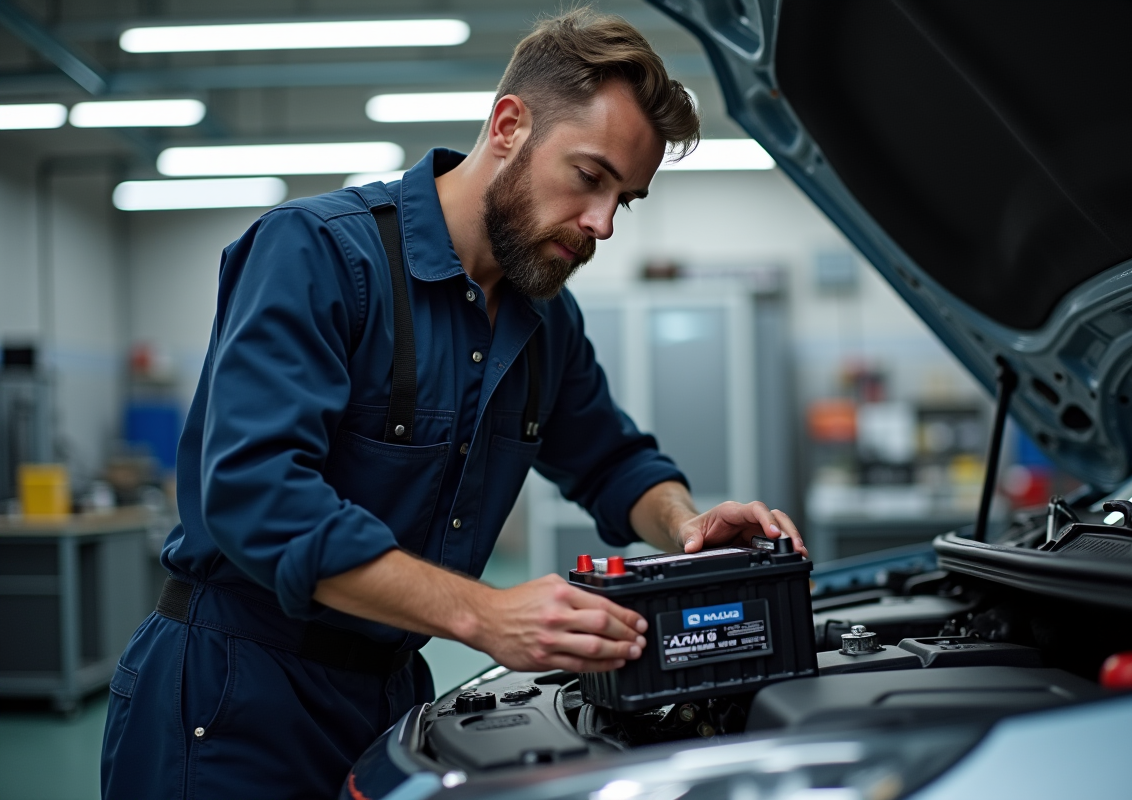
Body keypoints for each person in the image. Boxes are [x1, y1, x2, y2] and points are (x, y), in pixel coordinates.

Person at [100, 8, 806, 799]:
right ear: (509, 126)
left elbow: (613, 459)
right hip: (232, 698)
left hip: (389, 697)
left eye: (625, 199)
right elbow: (256, 496)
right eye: (589, 177)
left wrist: (685, 526)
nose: (602, 224)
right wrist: (483, 615)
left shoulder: (544, 320)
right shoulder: (321, 255)